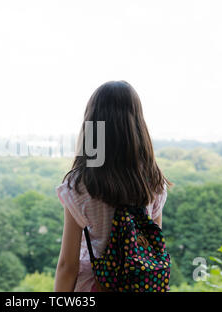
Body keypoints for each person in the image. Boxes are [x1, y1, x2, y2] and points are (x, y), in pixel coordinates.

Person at [54, 80, 172, 292]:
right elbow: (153, 249)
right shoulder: (154, 182)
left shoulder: (81, 186)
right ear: (137, 124)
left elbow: (67, 266)